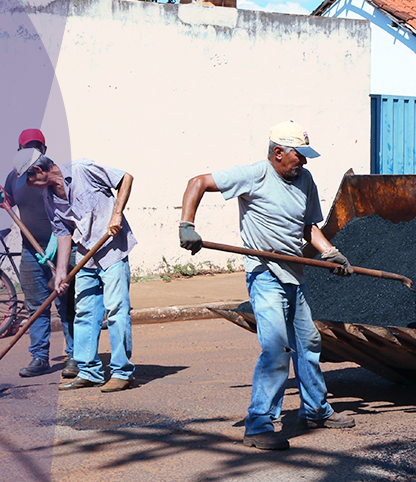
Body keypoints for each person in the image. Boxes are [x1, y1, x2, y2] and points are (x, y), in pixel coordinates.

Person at [179, 121, 356, 450]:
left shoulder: (305, 180)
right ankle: (259, 424)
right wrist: (187, 225)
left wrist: (331, 253)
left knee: (308, 343)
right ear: (278, 153)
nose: (303, 161)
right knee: (276, 348)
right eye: (298, 155)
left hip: (295, 273)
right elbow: (197, 182)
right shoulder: (255, 174)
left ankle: (315, 410)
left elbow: (308, 227)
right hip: (265, 273)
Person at [14, 148, 136, 392]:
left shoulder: (82, 170)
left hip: (112, 250)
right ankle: (89, 371)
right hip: (85, 256)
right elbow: (63, 233)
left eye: (28, 179)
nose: (28, 185)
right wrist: (60, 273)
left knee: (116, 310)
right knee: (84, 313)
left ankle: (122, 373)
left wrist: (116, 214)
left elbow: (125, 178)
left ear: (38, 170)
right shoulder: (49, 197)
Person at [3, 129, 74, 378]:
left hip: (61, 248)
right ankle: (40, 357)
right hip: (31, 251)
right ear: (19, 149)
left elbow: (69, 212)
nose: (31, 151)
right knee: (36, 307)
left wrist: (57, 240)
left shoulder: (51, 175)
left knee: (66, 304)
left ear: (44, 150)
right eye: (27, 147)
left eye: (36, 147)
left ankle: (74, 357)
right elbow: (8, 200)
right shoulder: (14, 177)